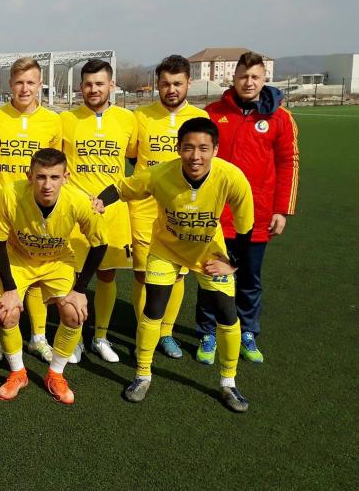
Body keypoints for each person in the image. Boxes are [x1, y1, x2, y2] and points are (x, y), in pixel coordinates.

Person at [96, 117, 255, 412]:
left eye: (204, 148)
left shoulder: (232, 177)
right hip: (166, 250)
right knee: (153, 308)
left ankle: (229, 383)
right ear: (179, 148)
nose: (196, 156)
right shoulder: (160, 174)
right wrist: (100, 201)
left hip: (209, 253)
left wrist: (233, 264)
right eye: (188, 148)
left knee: (227, 313)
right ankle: (142, 375)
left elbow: (246, 228)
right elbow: (122, 187)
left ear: (215, 150)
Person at [195, 51, 299, 364]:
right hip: (216, 215)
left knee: (250, 279)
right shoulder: (213, 113)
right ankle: (207, 332)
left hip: (257, 215)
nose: (249, 82)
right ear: (234, 78)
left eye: (255, 77)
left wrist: (282, 210)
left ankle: (248, 331)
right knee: (210, 275)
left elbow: (288, 163)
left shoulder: (280, 117)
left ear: (265, 79)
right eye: (243, 76)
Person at [0, 149, 108, 405]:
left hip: (57, 260)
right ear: (29, 176)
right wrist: (9, 288)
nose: (47, 185)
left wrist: (80, 289)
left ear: (66, 177)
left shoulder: (79, 201)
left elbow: (100, 244)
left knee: (75, 312)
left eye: (55, 177)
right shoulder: (10, 194)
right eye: (41, 177)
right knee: (6, 311)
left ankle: (55, 374)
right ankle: (18, 373)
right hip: (19, 258)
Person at [0, 56, 62, 364]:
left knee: (37, 272)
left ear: (40, 84)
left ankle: (38, 337)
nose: (24, 88)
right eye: (19, 82)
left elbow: (55, 167)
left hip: (37, 212)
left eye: (30, 82)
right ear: (10, 84)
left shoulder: (52, 121)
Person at [128, 55, 208, 359]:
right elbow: (132, 155)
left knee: (177, 274)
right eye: (165, 84)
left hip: (182, 210)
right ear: (157, 85)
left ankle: (166, 333)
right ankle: (144, 331)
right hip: (144, 208)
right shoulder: (140, 116)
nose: (171, 89)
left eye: (177, 83)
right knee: (142, 273)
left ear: (188, 83)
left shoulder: (200, 117)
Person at [60, 59, 136, 363]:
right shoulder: (66, 120)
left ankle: (100, 337)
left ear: (111, 85)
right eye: (88, 84)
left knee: (106, 274)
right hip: (77, 213)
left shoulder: (128, 119)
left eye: (100, 83)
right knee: (74, 277)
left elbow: (135, 160)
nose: (94, 89)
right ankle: (75, 337)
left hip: (113, 212)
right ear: (81, 87)